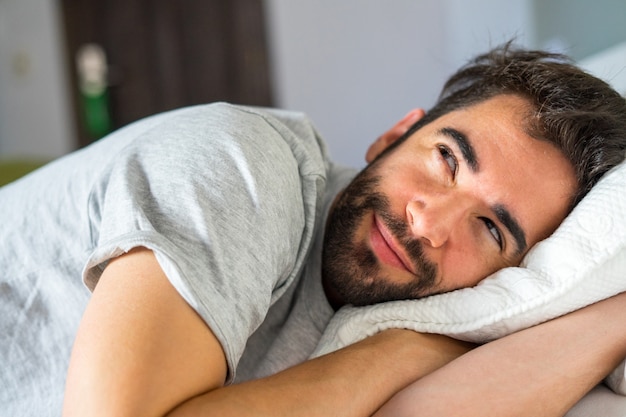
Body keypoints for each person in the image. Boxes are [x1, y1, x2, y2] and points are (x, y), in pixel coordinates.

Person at [1, 43, 625, 417]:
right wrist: (394, 355)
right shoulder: (237, 162)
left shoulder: (440, 314)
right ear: (392, 136)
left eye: (491, 229)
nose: (428, 223)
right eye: (446, 159)